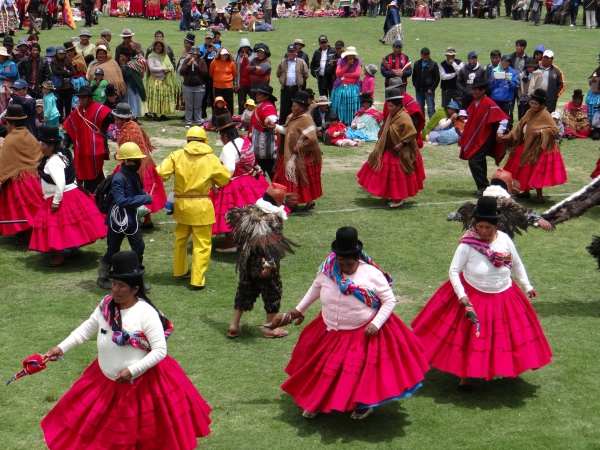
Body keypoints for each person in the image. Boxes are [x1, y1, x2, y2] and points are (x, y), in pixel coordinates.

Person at [42, 250, 212, 448]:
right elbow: (86, 330)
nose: (115, 290)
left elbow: (159, 350)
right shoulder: (106, 305)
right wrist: (60, 348)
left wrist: (132, 371)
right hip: (104, 382)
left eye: (121, 286)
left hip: (140, 387)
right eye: (113, 283)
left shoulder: (146, 313)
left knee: (140, 438)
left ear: (135, 289)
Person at [280, 226, 429, 419]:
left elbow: (389, 300)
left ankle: (363, 404)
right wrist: (297, 310)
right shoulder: (328, 269)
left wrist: (376, 323)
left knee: (357, 373)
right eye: (340, 260)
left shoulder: (372, 274)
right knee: (321, 370)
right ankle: (314, 401)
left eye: (348, 262)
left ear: (358, 257)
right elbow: (315, 289)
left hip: (361, 332)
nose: (344, 266)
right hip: (329, 329)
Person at [411, 196, 552, 388]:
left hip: (504, 294)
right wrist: (462, 295)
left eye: (488, 228)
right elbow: (453, 270)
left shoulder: (504, 240)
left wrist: (527, 286)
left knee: (504, 337)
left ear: (497, 226)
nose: (483, 231)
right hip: (473, 295)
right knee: (468, 338)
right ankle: (464, 376)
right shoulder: (467, 245)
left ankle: (504, 367)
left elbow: (516, 263)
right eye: (480, 227)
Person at [156, 127, 231, 290]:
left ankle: (179, 270)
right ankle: (197, 280)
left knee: (181, 238)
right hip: (202, 206)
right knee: (202, 243)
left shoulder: (177, 155)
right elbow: (225, 179)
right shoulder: (211, 159)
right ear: (204, 141)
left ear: (188, 140)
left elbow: (160, 172)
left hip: (182, 205)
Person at [29, 126, 106, 267]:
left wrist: (56, 201)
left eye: (43, 145)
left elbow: (60, 183)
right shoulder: (62, 155)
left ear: (51, 146)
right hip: (71, 194)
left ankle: (59, 257)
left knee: (57, 227)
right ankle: (74, 249)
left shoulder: (53, 162)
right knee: (70, 226)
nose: (41, 148)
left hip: (61, 196)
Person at [96, 143, 154, 290]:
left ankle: (136, 281)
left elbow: (135, 191)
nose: (139, 162)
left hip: (131, 218)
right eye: (136, 160)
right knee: (112, 250)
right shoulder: (118, 178)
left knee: (139, 248)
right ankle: (102, 278)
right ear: (127, 161)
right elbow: (121, 201)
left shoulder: (133, 174)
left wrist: (142, 194)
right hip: (118, 220)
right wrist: (144, 199)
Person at [357, 88, 425, 208]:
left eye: (391, 106)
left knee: (397, 176)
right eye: (388, 106)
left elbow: (411, 132)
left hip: (399, 151)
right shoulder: (392, 115)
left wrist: (401, 144)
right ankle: (391, 195)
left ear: (399, 106)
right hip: (388, 147)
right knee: (379, 168)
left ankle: (398, 199)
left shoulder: (404, 117)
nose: (389, 108)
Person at [209, 113, 269, 250]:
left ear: (224, 136)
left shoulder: (228, 148)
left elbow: (229, 168)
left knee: (227, 212)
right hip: (251, 180)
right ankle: (254, 238)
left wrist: (218, 183)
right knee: (253, 212)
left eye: (221, 136)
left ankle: (231, 243)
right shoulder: (244, 140)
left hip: (235, 183)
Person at [502, 88, 567, 204]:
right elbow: (519, 126)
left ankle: (539, 196)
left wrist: (541, 132)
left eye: (535, 104)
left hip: (540, 148)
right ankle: (526, 192)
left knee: (536, 171)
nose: (532, 105)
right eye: (531, 102)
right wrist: (507, 137)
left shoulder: (545, 115)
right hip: (528, 145)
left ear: (542, 105)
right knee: (522, 167)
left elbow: (555, 130)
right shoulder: (529, 112)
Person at [112, 103, 167, 227]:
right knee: (141, 191)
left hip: (137, 165)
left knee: (133, 190)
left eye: (116, 119)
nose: (115, 122)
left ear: (124, 119)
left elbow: (127, 153)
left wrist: (117, 156)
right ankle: (147, 220)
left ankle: (132, 219)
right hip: (143, 162)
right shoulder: (133, 125)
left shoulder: (128, 132)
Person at [459, 76, 509, 195]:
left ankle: (484, 187)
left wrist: (499, 131)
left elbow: (503, 118)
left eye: (477, 89)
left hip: (485, 137)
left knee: (474, 160)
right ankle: (483, 187)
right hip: (477, 137)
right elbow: (471, 121)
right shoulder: (475, 103)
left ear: (483, 91)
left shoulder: (489, 103)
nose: (474, 91)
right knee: (479, 160)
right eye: (473, 89)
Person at [272, 91, 322, 210]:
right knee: (293, 178)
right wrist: (275, 127)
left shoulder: (306, 119)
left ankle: (295, 203)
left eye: (294, 106)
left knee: (301, 179)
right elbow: (288, 131)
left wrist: (299, 147)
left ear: (301, 107)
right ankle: (294, 202)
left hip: (301, 155)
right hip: (292, 154)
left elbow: (312, 138)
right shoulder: (294, 117)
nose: (292, 108)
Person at [0, 105, 44, 240]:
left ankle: (25, 232)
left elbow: (4, 160)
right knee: (33, 207)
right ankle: (26, 232)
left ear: (12, 124)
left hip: (18, 181)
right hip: (33, 179)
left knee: (21, 208)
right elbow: (38, 152)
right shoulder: (28, 134)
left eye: (7, 124)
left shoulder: (10, 138)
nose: (7, 127)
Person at [63, 86, 112, 193]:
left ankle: (97, 197)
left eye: (84, 97)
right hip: (81, 152)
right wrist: (64, 145)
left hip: (95, 151)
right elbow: (69, 131)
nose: (81, 100)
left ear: (90, 98)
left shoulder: (99, 110)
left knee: (95, 176)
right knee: (79, 175)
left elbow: (112, 118)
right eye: (80, 98)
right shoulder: (76, 112)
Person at [249, 83, 279, 180]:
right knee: (259, 175)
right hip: (259, 148)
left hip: (265, 149)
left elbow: (271, 116)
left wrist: (269, 120)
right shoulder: (260, 105)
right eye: (257, 93)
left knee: (271, 175)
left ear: (267, 96)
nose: (257, 95)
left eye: (260, 93)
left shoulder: (267, 106)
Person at [276, 44, 310, 125]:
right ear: (287, 53)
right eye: (289, 51)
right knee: (284, 107)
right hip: (286, 88)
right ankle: (282, 124)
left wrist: (300, 81)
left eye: (293, 52)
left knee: (296, 107)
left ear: (296, 53)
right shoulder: (282, 62)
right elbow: (278, 74)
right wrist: (283, 79)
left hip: (296, 89)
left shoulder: (301, 62)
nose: (291, 53)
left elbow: (306, 74)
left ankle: (295, 124)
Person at [146, 40, 175, 121]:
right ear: (154, 47)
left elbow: (171, 65)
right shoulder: (151, 56)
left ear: (162, 47)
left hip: (165, 81)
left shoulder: (165, 56)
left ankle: (163, 113)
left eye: (160, 46)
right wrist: (163, 69)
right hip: (155, 81)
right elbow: (151, 68)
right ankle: (154, 114)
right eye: (157, 46)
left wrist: (168, 68)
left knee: (163, 98)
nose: (158, 47)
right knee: (156, 97)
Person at [180, 47, 208, 128]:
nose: (193, 55)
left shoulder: (202, 61)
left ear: (198, 55)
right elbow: (181, 72)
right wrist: (188, 64)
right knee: (188, 105)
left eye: (195, 54)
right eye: (192, 53)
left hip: (199, 87)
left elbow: (205, 73)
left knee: (198, 106)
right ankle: (188, 122)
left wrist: (197, 66)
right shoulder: (186, 61)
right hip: (187, 87)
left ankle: (198, 121)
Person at [117, 46, 146, 119]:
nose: (120, 58)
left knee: (132, 101)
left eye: (122, 56)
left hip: (131, 87)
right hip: (125, 86)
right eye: (120, 56)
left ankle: (133, 117)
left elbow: (128, 76)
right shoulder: (122, 64)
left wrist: (123, 66)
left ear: (126, 57)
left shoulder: (131, 65)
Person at [489, 55, 518, 126]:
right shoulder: (495, 71)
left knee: (507, 120)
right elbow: (491, 87)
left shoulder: (513, 72)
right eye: (505, 61)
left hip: (506, 101)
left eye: (508, 62)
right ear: (501, 61)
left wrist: (508, 81)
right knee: (494, 120)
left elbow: (514, 87)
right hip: (495, 100)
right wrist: (493, 81)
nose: (507, 63)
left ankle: (506, 135)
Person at [412, 47, 439, 120]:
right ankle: (421, 126)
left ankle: (432, 127)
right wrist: (416, 86)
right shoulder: (417, 64)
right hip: (419, 91)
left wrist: (432, 89)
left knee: (431, 109)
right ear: (421, 55)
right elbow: (414, 76)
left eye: (427, 54)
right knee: (420, 109)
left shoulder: (433, 64)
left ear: (429, 55)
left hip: (429, 92)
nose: (426, 56)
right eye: (424, 54)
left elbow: (437, 78)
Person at [209, 46, 237, 116]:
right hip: (217, 86)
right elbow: (211, 73)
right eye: (223, 55)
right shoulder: (214, 62)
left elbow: (234, 74)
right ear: (220, 55)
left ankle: (229, 118)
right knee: (218, 102)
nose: (224, 56)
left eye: (226, 55)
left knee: (229, 102)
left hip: (228, 86)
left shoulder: (231, 63)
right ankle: (217, 118)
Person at [50, 46, 75, 120]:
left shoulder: (69, 61)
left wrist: (63, 74)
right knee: (59, 104)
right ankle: (60, 120)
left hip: (68, 86)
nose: (61, 55)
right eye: (59, 54)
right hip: (59, 86)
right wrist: (65, 71)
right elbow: (56, 72)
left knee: (68, 104)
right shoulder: (53, 61)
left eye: (63, 54)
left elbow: (72, 72)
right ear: (57, 54)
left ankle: (68, 119)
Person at [234, 38, 253, 115]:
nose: (245, 49)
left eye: (246, 47)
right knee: (241, 103)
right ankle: (241, 118)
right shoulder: (237, 57)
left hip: (251, 83)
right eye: (243, 47)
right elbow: (235, 71)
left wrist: (247, 59)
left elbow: (253, 65)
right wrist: (235, 84)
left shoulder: (253, 56)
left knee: (253, 102)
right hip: (241, 83)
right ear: (240, 47)